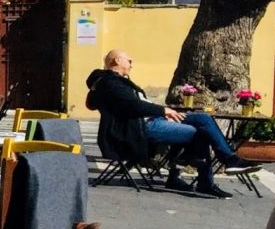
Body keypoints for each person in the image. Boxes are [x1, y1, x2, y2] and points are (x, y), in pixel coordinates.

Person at [86, 50, 253, 199]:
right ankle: (204, 175)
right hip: (141, 128)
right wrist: (164, 111)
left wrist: (165, 113)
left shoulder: (116, 81)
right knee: (200, 132)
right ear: (116, 61)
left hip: (153, 120)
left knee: (203, 119)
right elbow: (135, 106)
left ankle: (213, 163)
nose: (132, 64)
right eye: (129, 60)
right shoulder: (110, 83)